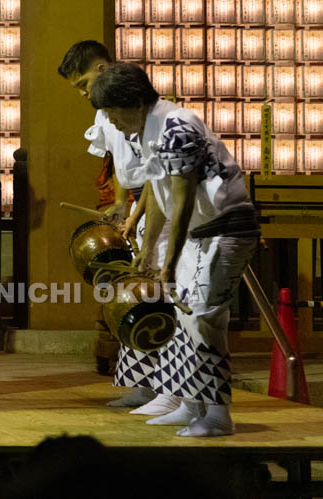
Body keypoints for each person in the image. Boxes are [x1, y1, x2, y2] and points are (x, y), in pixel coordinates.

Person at [90, 63, 260, 437]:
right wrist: (148, 251)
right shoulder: (150, 130)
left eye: (114, 113)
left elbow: (181, 204)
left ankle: (218, 416)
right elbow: (158, 196)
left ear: (134, 102)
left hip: (224, 230)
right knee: (183, 320)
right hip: (201, 231)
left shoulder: (176, 127)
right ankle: (190, 405)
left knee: (201, 315)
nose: (113, 124)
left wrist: (167, 263)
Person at [57, 41, 165, 412]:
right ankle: (141, 386)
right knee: (128, 294)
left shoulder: (146, 110)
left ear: (102, 68)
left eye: (83, 83)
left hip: (158, 202)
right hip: (134, 202)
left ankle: (169, 390)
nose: (84, 93)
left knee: (156, 292)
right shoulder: (104, 113)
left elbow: (155, 172)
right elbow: (119, 164)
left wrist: (136, 215)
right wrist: (120, 204)